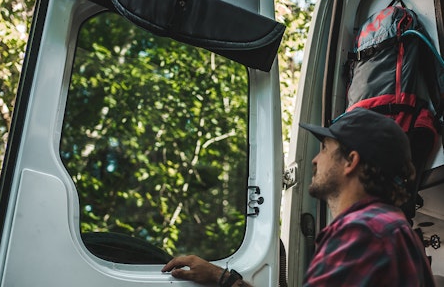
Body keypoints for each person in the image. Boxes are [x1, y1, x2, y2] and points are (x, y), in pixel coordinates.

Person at [161, 108, 436, 286]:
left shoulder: (362, 232)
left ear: (350, 161)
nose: (315, 160)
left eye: (325, 148)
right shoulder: (393, 230)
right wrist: (222, 278)